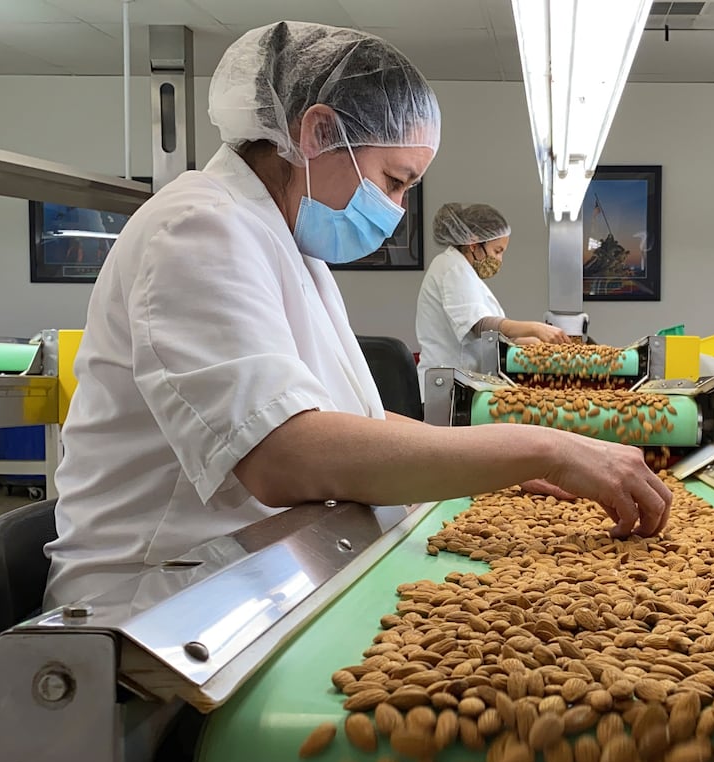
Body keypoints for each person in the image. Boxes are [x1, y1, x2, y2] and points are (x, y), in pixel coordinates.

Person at [42, 22, 671, 610]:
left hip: (259, 569)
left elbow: (355, 425)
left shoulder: (292, 249)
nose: (396, 209)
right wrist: (545, 448)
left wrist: (494, 461)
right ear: (317, 133)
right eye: (394, 181)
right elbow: (283, 455)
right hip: (162, 603)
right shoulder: (197, 229)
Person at [415, 202, 570, 398]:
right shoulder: (451, 268)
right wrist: (536, 328)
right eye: (497, 251)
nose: (500, 260)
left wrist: (538, 344)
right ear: (474, 244)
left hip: (464, 384)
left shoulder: (467, 274)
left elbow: (493, 338)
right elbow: (481, 326)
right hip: (447, 390)